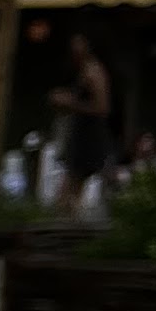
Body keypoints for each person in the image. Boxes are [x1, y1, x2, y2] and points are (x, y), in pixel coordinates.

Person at [53, 38, 114, 209]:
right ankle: (69, 213)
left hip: (90, 135)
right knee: (71, 183)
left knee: (74, 181)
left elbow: (102, 107)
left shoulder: (94, 72)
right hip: (79, 132)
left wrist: (70, 103)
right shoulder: (82, 71)